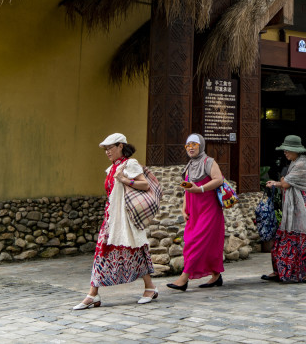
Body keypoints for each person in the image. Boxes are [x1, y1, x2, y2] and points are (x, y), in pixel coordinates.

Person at [74, 133, 157, 310]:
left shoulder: (129, 164)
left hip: (125, 216)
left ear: (121, 146)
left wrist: (124, 179)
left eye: (110, 148)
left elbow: (145, 185)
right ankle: (94, 294)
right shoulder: (113, 167)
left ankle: (93, 295)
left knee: (131, 248)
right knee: (115, 250)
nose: (107, 152)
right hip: (113, 216)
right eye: (106, 149)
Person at [166, 134, 226, 292]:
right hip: (194, 211)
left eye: (194, 144)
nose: (191, 147)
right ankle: (216, 275)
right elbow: (187, 189)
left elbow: (218, 179)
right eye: (188, 145)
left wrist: (200, 189)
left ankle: (183, 278)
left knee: (195, 242)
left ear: (201, 146)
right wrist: (184, 208)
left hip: (209, 210)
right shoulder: (189, 165)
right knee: (197, 242)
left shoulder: (209, 162)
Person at [262, 135, 306, 283]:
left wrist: (278, 182)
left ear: (296, 151)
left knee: (302, 241)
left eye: (288, 150)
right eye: (284, 150)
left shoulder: (301, 165)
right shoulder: (294, 163)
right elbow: (285, 182)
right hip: (293, 209)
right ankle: (280, 271)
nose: (285, 153)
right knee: (283, 240)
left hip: (301, 209)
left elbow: (286, 183)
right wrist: (280, 182)